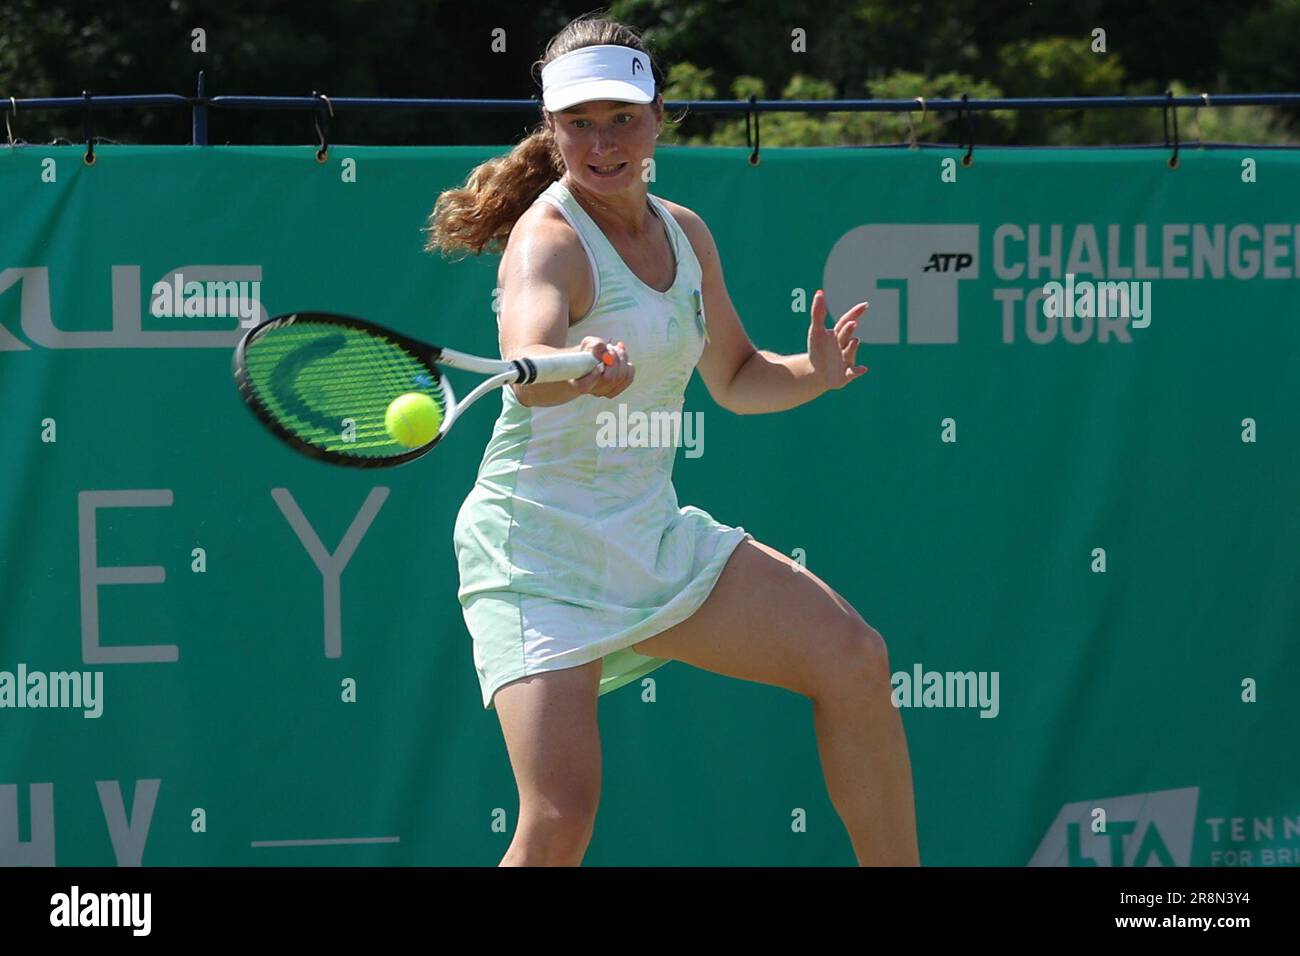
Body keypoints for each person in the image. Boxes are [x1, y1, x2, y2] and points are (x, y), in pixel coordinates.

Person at [425, 13, 918, 867]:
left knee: (854, 659)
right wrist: (575, 365)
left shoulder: (686, 233)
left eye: (622, 117)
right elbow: (529, 353)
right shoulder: (548, 241)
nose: (604, 141)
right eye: (580, 122)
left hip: (649, 535)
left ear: (659, 116)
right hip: (535, 554)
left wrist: (814, 373)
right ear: (552, 129)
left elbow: (733, 377)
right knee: (558, 818)